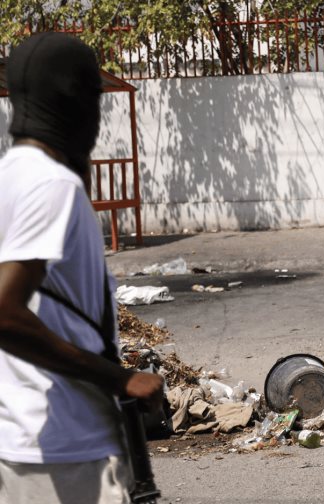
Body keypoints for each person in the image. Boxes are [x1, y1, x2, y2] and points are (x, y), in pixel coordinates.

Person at [0, 33, 164, 503]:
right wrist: (121, 378)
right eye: (94, 97)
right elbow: (5, 314)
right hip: (68, 448)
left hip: (22, 437)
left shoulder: (9, 175)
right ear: (74, 101)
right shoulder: (53, 186)